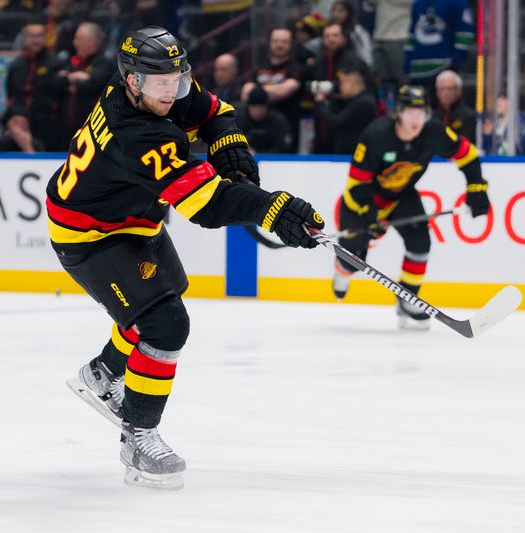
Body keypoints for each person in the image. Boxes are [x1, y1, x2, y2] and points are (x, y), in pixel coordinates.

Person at [46, 27, 324, 490]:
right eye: (161, 84)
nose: (172, 92)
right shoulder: (135, 133)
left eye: (179, 78)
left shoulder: (148, 88)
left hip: (130, 219)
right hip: (89, 234)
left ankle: (102, 372)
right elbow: (206, 206)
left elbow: (215, 110)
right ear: (133, 82)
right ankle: (138, 435)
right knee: (165, 322)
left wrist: (229, 144)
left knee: (164, 295)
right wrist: (271, 207)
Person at [332, 85, 489, 329]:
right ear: (398, 113)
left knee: (420, 242)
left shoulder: (434, 131)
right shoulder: (375, 135)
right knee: (354, 257)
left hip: (401, 196)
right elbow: (356, 185)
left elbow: (467, 154)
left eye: (421, 112)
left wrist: (477, 189)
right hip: (363, 200)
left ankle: (407, 299)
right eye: (409, 112)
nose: (416, 119)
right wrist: (368, 214)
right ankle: (341, 272)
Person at [241, 27, 304, 153]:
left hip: (287, 129)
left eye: (284, 41)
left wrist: (258, 92)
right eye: (276, 41)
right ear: (270, 43)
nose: (279, 44)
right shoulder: (259, 68)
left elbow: (284, 91)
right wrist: (274, 90)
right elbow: (246, 94)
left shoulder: (297, 68)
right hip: (256, 131)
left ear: (291, 44)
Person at [6, 18, 65, 151]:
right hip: (21, 122)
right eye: (32, 36)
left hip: (49, 124)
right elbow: (10, 96)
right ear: (25, 39)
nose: (36, 40)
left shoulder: (56, 63)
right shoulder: (16, 65)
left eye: (39, 36)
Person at [404, 0, 473, 95]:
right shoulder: (418, 4)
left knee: (445, 107)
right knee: (418, 108)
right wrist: (408, 65)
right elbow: (411, 36)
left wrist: (455, 63)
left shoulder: (457, 3)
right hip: (417, 72)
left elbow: (465, 34)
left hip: (444, 70)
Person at [60, 22, 112, 142]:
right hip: (66, 128)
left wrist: (73, 82)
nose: (74, 42)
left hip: (93, 128)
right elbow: (58, 81)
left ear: (91, 41)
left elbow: (94, 83)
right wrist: (77, 77)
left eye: (78, 39)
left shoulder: (104, 63)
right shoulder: (72, 61)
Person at [312, 64, 378, 154]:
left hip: (352, 153)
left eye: (342, 83)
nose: (340, 87)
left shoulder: (363, 103)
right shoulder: (363, 99)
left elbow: (337, 122)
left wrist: (321, 103)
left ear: (351, 83)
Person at [236, 86, 293, 153]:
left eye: (261, 107)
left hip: (272, 160)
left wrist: (263, 156)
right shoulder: (240, 119)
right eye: (254, 107)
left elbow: (285, 146)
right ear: (248, 107)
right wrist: (245, 149)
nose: (258, 111)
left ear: (267, 107)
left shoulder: (278, 121)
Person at [435, 69, 475, 141]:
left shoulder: (468, 117)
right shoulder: (432, 117)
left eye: (450, 89)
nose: (445, 92)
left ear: (458, 90)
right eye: (442, 88)